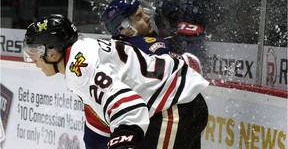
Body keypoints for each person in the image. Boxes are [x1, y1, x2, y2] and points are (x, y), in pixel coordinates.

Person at [23, 14, 209, 149]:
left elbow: (129, 106)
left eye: (34, 53)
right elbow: (100, 119)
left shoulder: (78, 69)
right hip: (181, 104)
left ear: (52, 52)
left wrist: (123, 140)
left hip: (173, 109)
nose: (34, 61)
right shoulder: (84, 50)